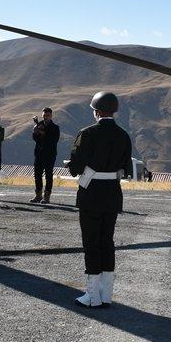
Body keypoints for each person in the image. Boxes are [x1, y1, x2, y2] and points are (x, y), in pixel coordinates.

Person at [68, 92, 132, 309]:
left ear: (96, 111)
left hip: (91, 195)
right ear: (113, 111)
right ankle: (106, 294)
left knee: (91, 243)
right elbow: (126, 168)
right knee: (107, 242)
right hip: (112, 194)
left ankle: (92, 295)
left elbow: (76, 167)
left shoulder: (87, 134)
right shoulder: (124, 135)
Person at [31, 107, 60, 203]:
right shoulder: (39, 125)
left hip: (50, 155)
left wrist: (43, 133)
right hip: (39, 154)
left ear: (51, 116)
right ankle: (38, 195)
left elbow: (53, 141)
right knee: (37, 175)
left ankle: (46, 196)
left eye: (47, 116)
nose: (45, 117)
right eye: (44, 115)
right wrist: (35, 132)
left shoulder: (55, 128)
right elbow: (35, 139)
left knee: (48, 175)